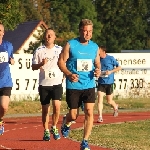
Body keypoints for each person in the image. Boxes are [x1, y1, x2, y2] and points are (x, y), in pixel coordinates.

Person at [58, 19, 101, 150]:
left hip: (89, 84)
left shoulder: (95, 47)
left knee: (89, 111)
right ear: (80, 31)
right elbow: (61, 62)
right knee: (74, 115)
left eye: (90, 31)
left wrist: (98, 71)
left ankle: (85, 141)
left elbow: (97, 64)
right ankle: (66, 121)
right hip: (74, 85)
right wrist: (68, 74)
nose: (88, 34)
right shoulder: (71, 45)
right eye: (85, 31)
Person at [32, 28, 63, 141]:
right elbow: (33, 67)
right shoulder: (39, 50)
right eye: (47, 35)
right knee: (45, 109)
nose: (49, 37)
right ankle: (45, 131)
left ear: (55, 37)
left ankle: (54, 126)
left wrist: (65, 74)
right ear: (44, 37)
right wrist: (41, 63)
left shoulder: (60, 49)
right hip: (44, 84)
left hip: (57, 83)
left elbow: (65, 62)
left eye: (51, 35)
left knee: (57, 106)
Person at [97, 46, 121, 123]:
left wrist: (110, 72)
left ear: (103, 51)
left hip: (109, 82)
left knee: (109, 101)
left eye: (99, 51)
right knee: (100, 98)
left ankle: (115, 107)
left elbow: (119, 67)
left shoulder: (110, 58)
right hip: (101, 82)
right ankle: (100, 116)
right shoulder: (97, 59)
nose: (97, 53)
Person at [0, 23, 15, 135]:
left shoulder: (8, 45)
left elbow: (11, 58)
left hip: (5, 81)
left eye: (0, 30)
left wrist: (12, 61)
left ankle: (0, 120)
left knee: (4, 107)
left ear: (3, 32)